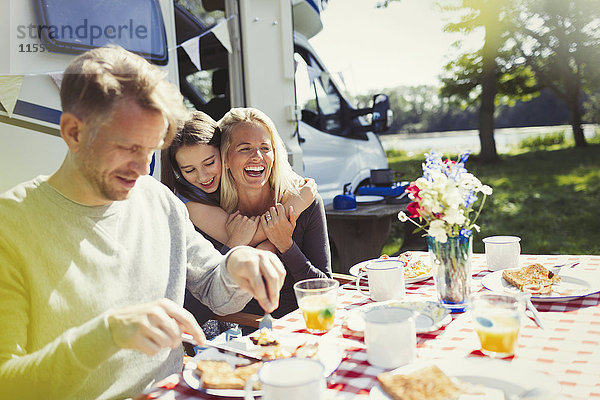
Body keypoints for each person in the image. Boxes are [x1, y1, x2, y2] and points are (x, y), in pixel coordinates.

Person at [0, 46, 285, 400]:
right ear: (73, 132)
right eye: (127, 147)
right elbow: (7, 384)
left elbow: (216, 289)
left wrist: (238, 263)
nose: (142, 168)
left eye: (151, 149)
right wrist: (107, 334)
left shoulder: (158, 200)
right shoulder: (10, 228)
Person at [163, 111, 317, 329]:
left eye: (209, 163)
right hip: (220, 327)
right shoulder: (192, 205)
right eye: (189, 170)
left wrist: (280, 243)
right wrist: (294, 208)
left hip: (290, 324)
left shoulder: (297, 195)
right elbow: (252, 235)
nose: (203, 176)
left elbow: (323, 284)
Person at [219, 107, 332, 319]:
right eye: (245, 149)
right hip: (245, 335)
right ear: (225, 159)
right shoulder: (217, 213)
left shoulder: (305, 202)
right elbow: (210, 291)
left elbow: (324, 288)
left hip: (304, 327)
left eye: (265, 147)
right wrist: (232, 246)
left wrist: (286, 246)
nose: (257, 156)